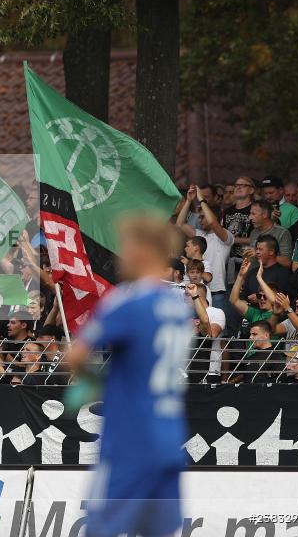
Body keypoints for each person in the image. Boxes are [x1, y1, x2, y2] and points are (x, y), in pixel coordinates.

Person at [66, 215, 192, 537]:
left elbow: (76, 356)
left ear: (142, 251)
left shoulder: (127, 301)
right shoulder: (178, 306)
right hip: (167, 438)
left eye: (126, 246)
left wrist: (95, 381)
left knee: (101, 530)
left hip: (130, 438)